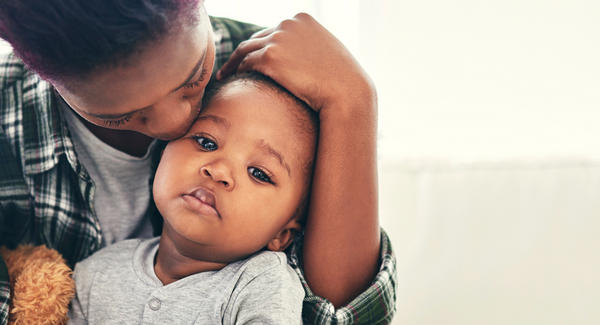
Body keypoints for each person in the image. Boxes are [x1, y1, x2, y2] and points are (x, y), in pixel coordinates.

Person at [0, 1, 396, 323]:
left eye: (194, 78)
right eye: (123, 115)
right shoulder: (9, 117)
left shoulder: (280, 87)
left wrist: (353, 100)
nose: (178, 125)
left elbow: (338, 316)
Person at [67, 73, 316, 324]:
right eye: (206, 142)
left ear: (282, 235)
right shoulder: (97, 272)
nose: (218, 171)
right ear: (163, 151)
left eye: (259, 173)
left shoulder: (261, 284)